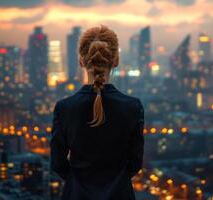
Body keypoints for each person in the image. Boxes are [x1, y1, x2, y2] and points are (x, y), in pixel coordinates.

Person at [50, 25, 145, 200]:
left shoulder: (64, 108)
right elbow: (135, 164)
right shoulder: (133, 107)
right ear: (115, 60)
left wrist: (77, 182)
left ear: (81, 61)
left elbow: (58, 164)